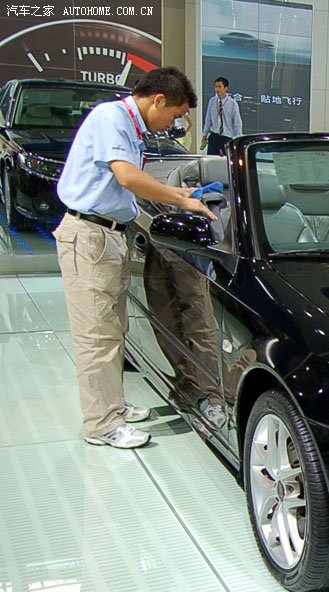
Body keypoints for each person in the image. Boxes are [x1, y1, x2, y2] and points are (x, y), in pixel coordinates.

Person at [54, 66, 216, 449]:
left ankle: (111, 406)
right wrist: (180, 200)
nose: (173, 124)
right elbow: (127, 177)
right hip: (89, 235)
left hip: (108, 234)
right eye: (175, 115)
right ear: (158, 100)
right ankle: (102, 424)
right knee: (97, 334)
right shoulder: (111, 118)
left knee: (112, 329)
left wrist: (177, 193)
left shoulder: (129, 126)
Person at [200, 76, 243, 156]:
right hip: (214, 136)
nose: (217, 89)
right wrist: (205, 134)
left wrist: (238, 139)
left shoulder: (232, 104)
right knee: (211, 159)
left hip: (227, 138)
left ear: (226, 88)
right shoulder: (212, 101)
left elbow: (237, 123)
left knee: (227, 160)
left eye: (219, 87)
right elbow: (208, 120)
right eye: (216, 87)